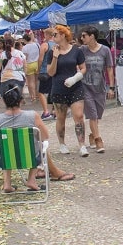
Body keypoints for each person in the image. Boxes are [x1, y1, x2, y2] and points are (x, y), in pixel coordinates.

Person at [0, 81, 74, 192]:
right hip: (29, 157)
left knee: (8, 144)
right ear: (20, 100)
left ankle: (7, 183)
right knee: (37, 144)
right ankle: (35, 178)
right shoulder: (31, 115)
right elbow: (44, 136)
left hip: (4, 158)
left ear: (5, 101)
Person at [47, 25, 89, 156]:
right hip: (59, 88)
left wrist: (75, 78)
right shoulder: (51, 52)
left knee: (79, 116)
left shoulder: (76, 51)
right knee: (61, 118)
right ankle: (62, 143)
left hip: (75, 87)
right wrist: (55, 57)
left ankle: (82, 145)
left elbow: (83, 68)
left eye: (55, 34)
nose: (52, 37)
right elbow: (51, 72)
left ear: (63, 35)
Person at [79, 26, 115, 153]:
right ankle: (99, 140)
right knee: (92, 114)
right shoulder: (82, 50)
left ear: (92, 36)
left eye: (84, 36)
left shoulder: (105, 50)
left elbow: (109, 69)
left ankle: (92, 135)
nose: (82, 38)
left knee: (98, 114)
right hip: (85, 87)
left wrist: (111, 87)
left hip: (100, 87)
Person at [37, 28, 56, 120]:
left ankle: (46, 112)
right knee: (53, 91)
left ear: (48, 35)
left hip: (45, 71)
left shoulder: (45, 45)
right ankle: (54, 111)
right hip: (55, 71)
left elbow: (40, 59)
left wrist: (38, 69)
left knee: (41, 93)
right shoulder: (58, 45)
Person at [21, 33, 40, 102]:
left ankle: (33, 96)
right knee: (36, 81)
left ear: (24, 39)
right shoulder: (37, 44)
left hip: (29, 64)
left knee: (30, 82)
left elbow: (25, 58)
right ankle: (37, 95)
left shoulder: (25, 47)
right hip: (37, 63)